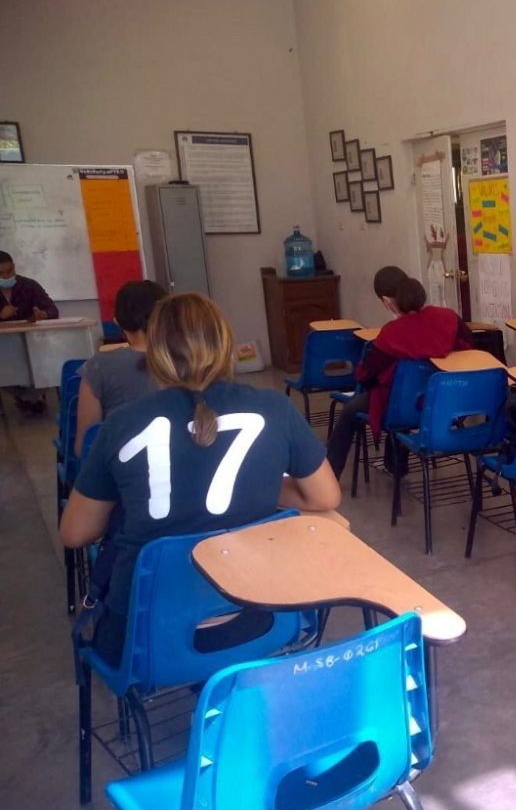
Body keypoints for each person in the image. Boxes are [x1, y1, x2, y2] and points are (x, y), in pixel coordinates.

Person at [59, 292, 341, 667]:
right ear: (226, 347)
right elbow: (325, 497)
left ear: (154, 354)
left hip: (147, 639)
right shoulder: (275, 407)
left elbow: (75, 533)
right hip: (259, 618)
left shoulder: (122, 423)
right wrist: (256, 484)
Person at [324, 266, 472, 479]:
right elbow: (468, 346)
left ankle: (329, 474)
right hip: (447, 399)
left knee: (353, 409)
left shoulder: (391, 334)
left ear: (387, 301)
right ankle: (394, 460)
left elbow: (365, 374)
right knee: (401, 395)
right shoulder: (449, 317)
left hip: (402, 405)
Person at [74, 280, 166, 455]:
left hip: (120, 465)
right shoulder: (190, 361)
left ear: (118, 322)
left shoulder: (98, 366)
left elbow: (84, 447)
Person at [0, 250, 60, 413]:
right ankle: (28, 399)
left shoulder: (29, 285)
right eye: (1, 274)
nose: (6, 276)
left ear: (14, 267)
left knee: (50, 364)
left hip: (31, 344)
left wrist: (43, 314)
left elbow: (53, 310)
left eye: (9, 271)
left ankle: (27, 398)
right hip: (3, 348)